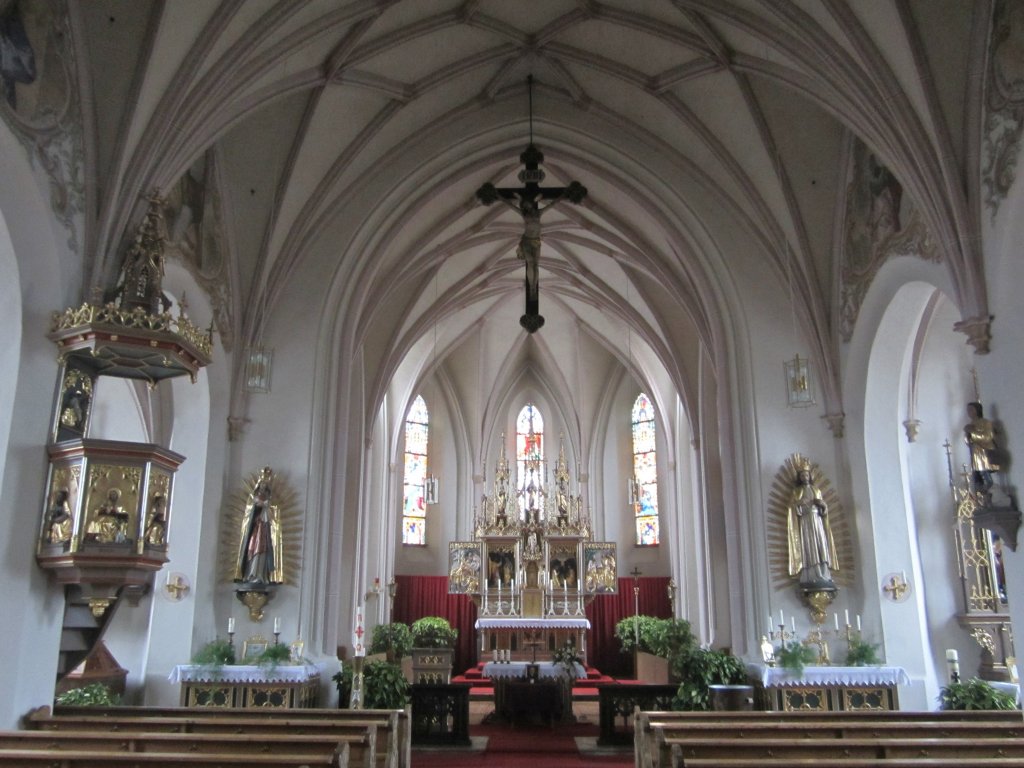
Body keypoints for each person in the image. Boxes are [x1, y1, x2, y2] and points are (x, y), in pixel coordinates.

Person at [786, 462, 837, 587]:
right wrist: (798, 503)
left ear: (810, 476)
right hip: (805, 522)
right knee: (810, 546)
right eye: (802, 475)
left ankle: (824, 573)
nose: (805, 477)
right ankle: (812, 574)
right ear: (800, 477)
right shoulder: (797, 491)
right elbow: (792, 509)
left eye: (806, 475)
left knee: (821, 545)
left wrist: (822, 505)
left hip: (817, 520)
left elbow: (824, 510)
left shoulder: (816, 490)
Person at [234, 466, 282, 585]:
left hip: (264, 529)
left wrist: (267, 505)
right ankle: (250, 573)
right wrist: (257, 506)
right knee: (252, 548)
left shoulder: (270, 502)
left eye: (265, 488)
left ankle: (260, 574)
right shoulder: (253, 501)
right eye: (261, 487)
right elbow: (250, 513)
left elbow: (274, 515)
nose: (263, 490)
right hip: (255, 528)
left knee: (263, 550)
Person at [965, 401, 999, 494]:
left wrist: (972, 431)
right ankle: (985, 496)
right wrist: (967, 435)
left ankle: (992, 492)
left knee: (986, 473)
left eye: (971, 409)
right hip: (976, 453)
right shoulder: (971, 424)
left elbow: (987, 436)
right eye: (968, 410)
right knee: (979, 475)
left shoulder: (986, 422)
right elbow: (968, 441)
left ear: (977, 410)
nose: (969, 412)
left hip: (985, 451)